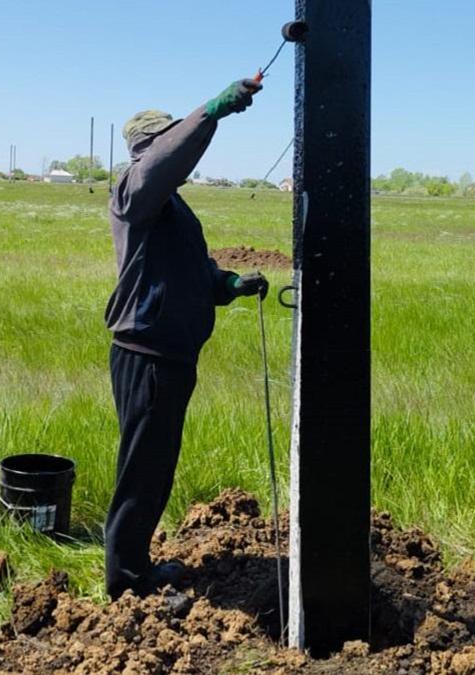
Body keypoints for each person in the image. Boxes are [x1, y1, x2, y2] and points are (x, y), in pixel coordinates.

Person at [102, 79, 269, 600]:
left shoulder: (169, 205)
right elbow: (160, 163)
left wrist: (227, 285)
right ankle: (127, 583)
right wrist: (213, 110)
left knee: (155, 466)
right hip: (147, 353)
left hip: (169, 353)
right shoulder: (134, 190)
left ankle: (137, 565)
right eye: (169, 138)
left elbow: (187, 270)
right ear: (149, 146)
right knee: (143, 470)